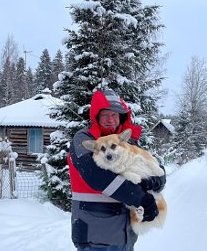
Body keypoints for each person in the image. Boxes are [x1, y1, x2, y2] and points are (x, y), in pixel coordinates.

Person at [67, 89, 166, 251]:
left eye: (115, 115)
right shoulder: (83, 139)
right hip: (95, 234)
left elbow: (149, 162)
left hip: (124, 233)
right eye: (105, 114)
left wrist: (155, 180)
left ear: (121, 117)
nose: (110, 120)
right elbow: (97, 176)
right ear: (96, 116)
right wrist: (142, 199)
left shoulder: (125, 141)